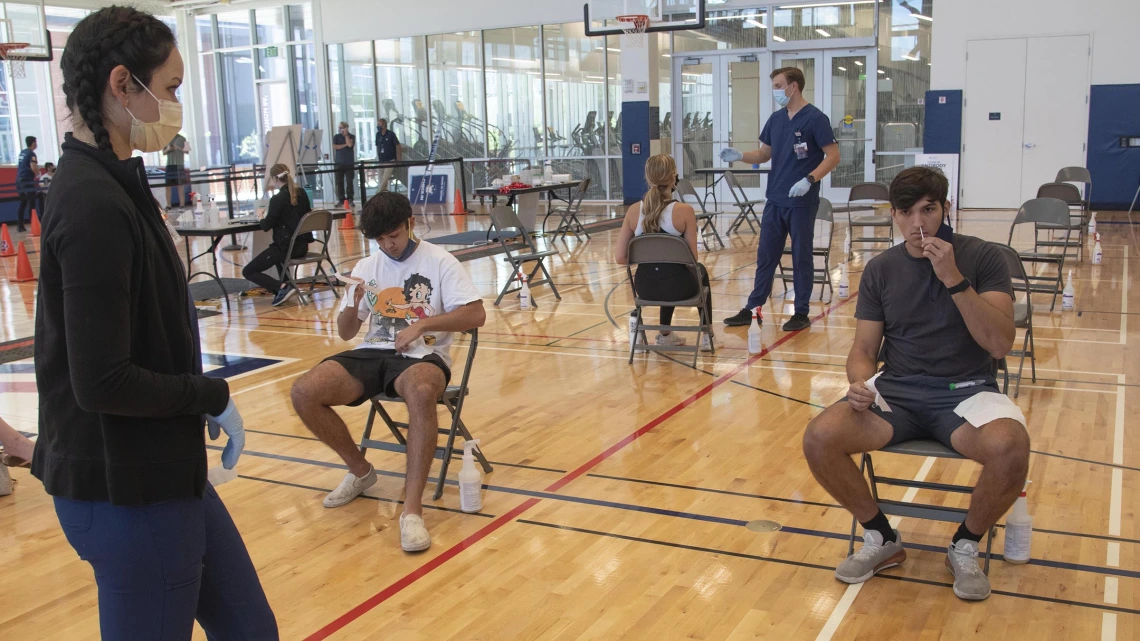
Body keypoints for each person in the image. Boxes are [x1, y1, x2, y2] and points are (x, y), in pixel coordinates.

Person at [36, 7, 278, 638]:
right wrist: (209, 394)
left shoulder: (121, 179)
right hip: (123, 490)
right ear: (122, 85)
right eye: (167, 88)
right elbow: (102, 381)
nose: (174, 104)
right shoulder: (89, 202)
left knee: (251, 629)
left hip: (166, 466)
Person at [801, 166, 1029, 602]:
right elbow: (864, 348)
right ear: (894, 214)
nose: (917, 224)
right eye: (905, 213)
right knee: (820, 437)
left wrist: (953, 280)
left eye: (928, 210)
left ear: (946, 208)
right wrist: (858, 382)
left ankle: (964, 543)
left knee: (1011, 447)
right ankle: (882, 537)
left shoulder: (983, 257)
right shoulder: (881, 269)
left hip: (967, 393)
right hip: (898, 392)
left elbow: (999, 344)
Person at [290, 191, 485, 553]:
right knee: (304, 392)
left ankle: (412, 511)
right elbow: (347, 333)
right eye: (380, 239)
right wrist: (352, 303)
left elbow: (476, 315)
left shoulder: (440, 261)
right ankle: (361, 470)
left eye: (393, 236)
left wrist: (423, 327)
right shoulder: (367, 266)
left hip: (423, 357)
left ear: (409, 224)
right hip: (372, 352)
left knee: (423, 391)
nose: (388, 245)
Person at [720, 67, 840, 332]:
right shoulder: (776, 119)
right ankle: (753, 308)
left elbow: (833, 156)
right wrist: (740, 155)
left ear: (793, 86)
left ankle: (801, 311)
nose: (775, 90)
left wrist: (809, 179)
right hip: (775, 200)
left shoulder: (815, 119)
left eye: (778, 85)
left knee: (801, 256)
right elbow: (764, 155)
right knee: (766, 255)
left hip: (801, 200)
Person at [615, 154, 713, 352]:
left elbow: (620, 258)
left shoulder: (634, 211)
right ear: (673, 176)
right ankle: (706, 336)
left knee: (662, 271)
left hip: (644, 287)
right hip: (679, 288)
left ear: (648, 178)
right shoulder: (684, 211)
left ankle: (666, 335)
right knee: (697, 270)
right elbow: (692, 258)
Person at [242, 163, 313, 306]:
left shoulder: (277, 199)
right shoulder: (302, 193)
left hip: (286, 248)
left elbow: (266, 226)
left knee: (248, 271)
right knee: (277, 255)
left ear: (275, 179)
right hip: (302, 246)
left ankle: (282, 287)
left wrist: (260, 216)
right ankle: (285, 287)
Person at [162, 130, 191, 208]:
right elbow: (163, 152)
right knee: (168, 186)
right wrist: (168, 149)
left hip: (179, 164)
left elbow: (188, 151)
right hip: (169, 164)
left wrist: (178, 148)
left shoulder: (183, 138)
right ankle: (168, 205)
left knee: (180, 185)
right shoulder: (165, 139)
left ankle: (182, 204)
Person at [16, 135, 38, 232]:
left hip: (19, 179)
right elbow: (33, 166)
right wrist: (38, 174)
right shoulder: (31, 154)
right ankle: (34, 225)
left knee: (23, 202)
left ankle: (20, 225)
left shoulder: (22, 152)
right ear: (33, 143)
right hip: (27, 180)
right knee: (31, 203)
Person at [332, 121, 356, 205]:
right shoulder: (336, 137)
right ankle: (341, 199)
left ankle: (350, 199)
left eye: (342, 128)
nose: (340, 129)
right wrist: (344, 145)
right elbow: (335, 146)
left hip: (349, 163)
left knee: (349, 182)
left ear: (346, 128)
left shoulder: (351, 136)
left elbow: (349, 145)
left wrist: (346, 135)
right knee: (339, 182)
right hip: (339, 163)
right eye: (339, 128)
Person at [375, 118, 401, 191]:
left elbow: (398, 146)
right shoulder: (378, 135)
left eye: (379, 125)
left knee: (385, 178)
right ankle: (383, 195)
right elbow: (377, 146)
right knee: (381, 179)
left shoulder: (391, 134)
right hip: (381, 160)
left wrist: (398, 159)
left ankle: (378, 193)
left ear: (384, 125)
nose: (378, 126)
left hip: (390, 160)